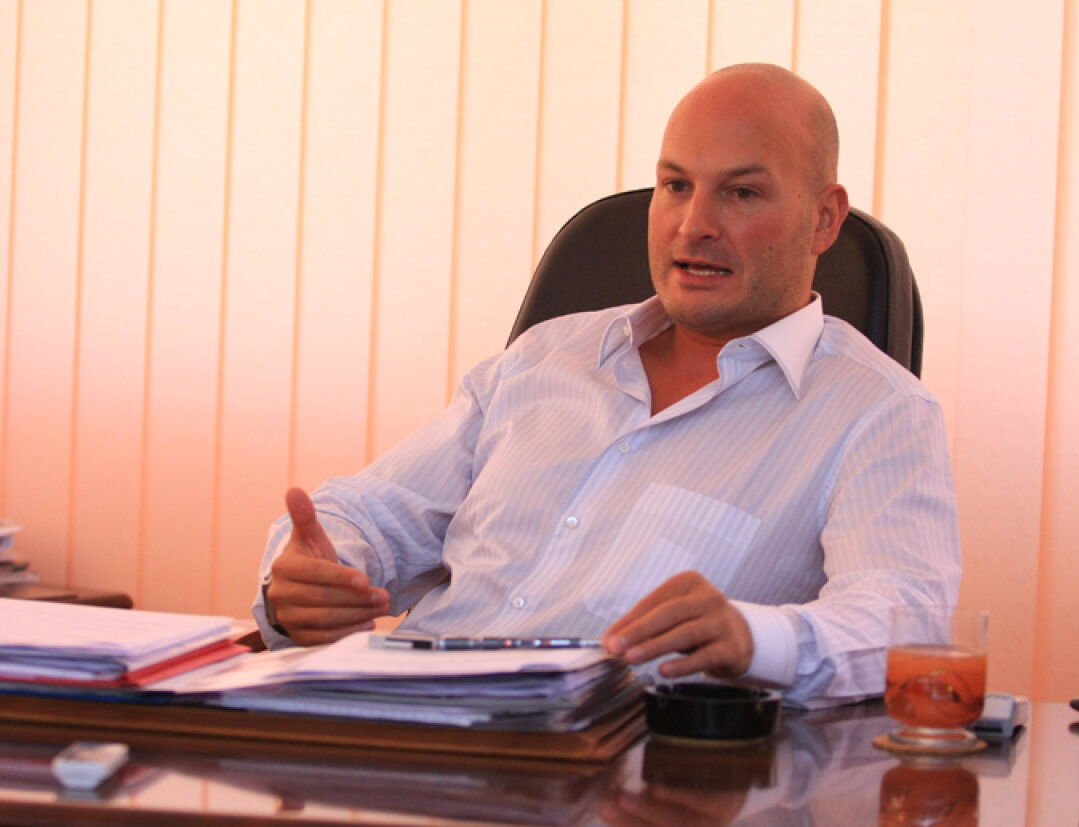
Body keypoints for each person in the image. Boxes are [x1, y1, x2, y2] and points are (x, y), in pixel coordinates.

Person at [252, 63, 960, 707]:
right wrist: (312, 576)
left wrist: (757, 637)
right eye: (676, 185)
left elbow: (904, 618)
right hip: (393, 728)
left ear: (824, 219)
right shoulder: (544, 359)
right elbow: (368, 514)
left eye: (741, 193)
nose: (694, 225)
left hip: (613, 772)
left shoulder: (877, 413)